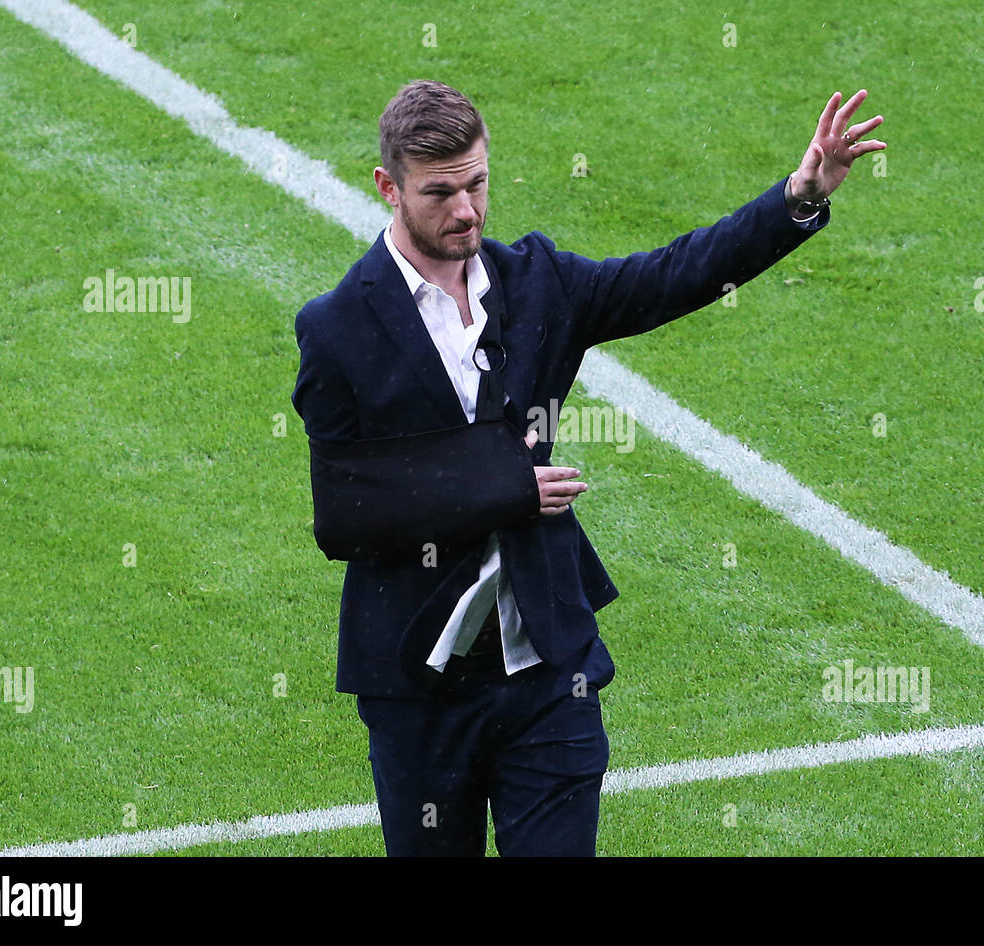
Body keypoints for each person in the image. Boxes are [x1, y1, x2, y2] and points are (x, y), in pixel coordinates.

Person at [292, 79, 884, 856]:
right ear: (387, 187)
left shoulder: (538, 281)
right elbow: (346, 515)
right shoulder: (337, 328)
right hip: (418, 689)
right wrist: (504, 488)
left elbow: (674, 274)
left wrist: (796, 199)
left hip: (548, 674)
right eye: (439, 193)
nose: (466, 209)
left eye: (477, 183)